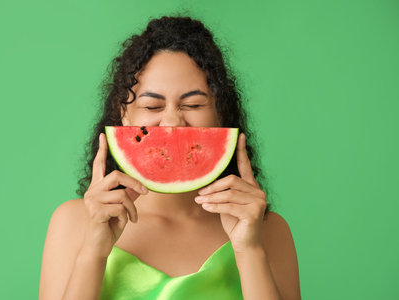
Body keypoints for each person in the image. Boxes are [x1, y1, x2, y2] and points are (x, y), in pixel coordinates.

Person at [39, 16, 300, 300]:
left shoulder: (268, 230)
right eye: (152, 105)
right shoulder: (74, 222)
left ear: (221, 114)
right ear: (123, 114)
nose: (172, 123)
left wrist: (250, 251)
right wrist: (93, 251)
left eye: (192, 104)